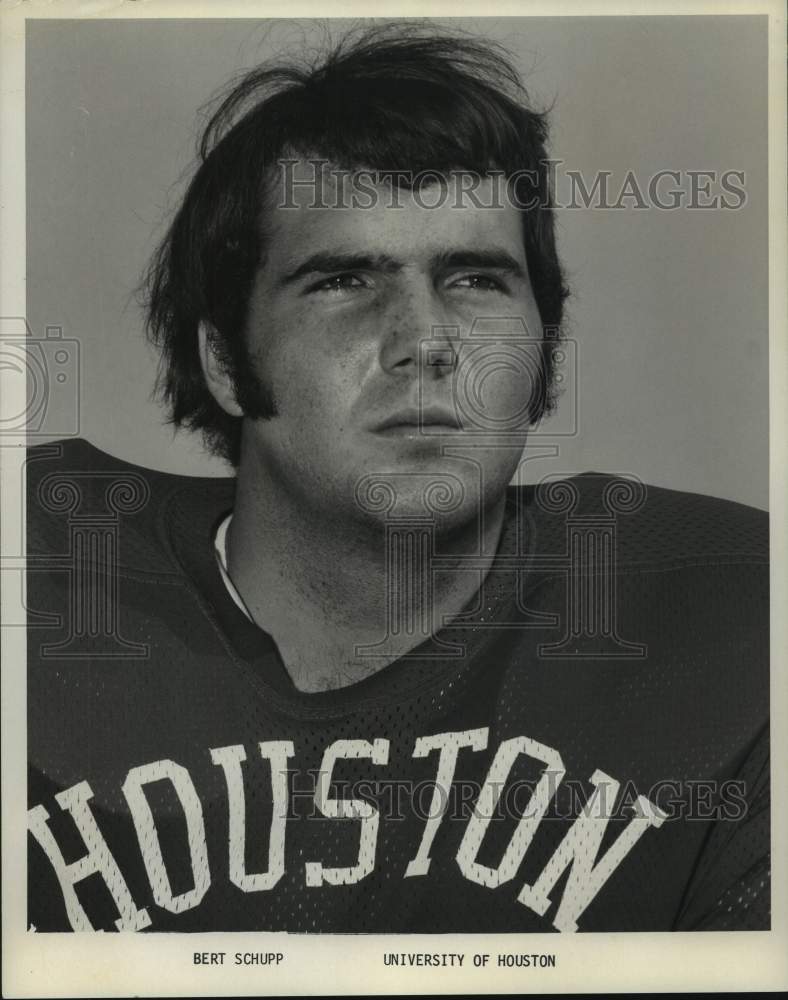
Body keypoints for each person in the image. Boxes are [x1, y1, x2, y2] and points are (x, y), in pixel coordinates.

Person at [26, 23, 769, 933]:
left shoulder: (729, 616)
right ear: (223, 359)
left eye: (477, 279)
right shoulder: (46, 573)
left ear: (542, 346)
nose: (426, 340)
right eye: (344, 281)